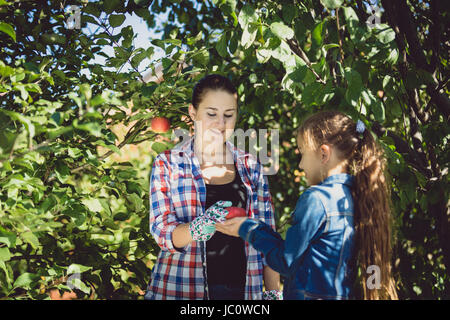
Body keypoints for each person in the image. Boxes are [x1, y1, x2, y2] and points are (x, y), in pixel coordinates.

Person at [217, 110, 398, 300]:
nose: (301, 164)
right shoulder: (359, 198)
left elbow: (286, 260)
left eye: (303, 153)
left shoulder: (316, 199)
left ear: (323, 154)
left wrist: (247, 227)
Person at [144, 74, 281, 300]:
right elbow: (161, 231)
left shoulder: (251, 167)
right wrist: (196, 228)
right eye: (211, 114)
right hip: (181, 289)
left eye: (229, 115)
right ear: (192, 112)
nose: (221, 124)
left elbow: (267, 237)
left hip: (243, 293)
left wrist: (273, 292)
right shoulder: (168, 163)